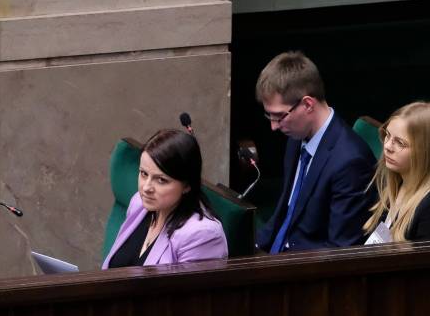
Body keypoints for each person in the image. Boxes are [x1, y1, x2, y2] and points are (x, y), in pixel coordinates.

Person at [255, 51, 377, 253]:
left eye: (279, 116)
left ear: (308, 104)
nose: (273, 126)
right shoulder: (296, 137)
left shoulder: (350, 163)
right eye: (269, 116)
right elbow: (286, 212)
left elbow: (340, 251)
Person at [102, 129, 228, 268]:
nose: (146, 188)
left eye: (161, 180)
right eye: (144, 173)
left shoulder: (203, 235)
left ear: (187, 185)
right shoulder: (138, 203)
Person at [363, 101, 430, 243]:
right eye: (387, 135)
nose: (387, 146)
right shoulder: (396, 182)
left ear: (424, 152)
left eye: (400, 143)